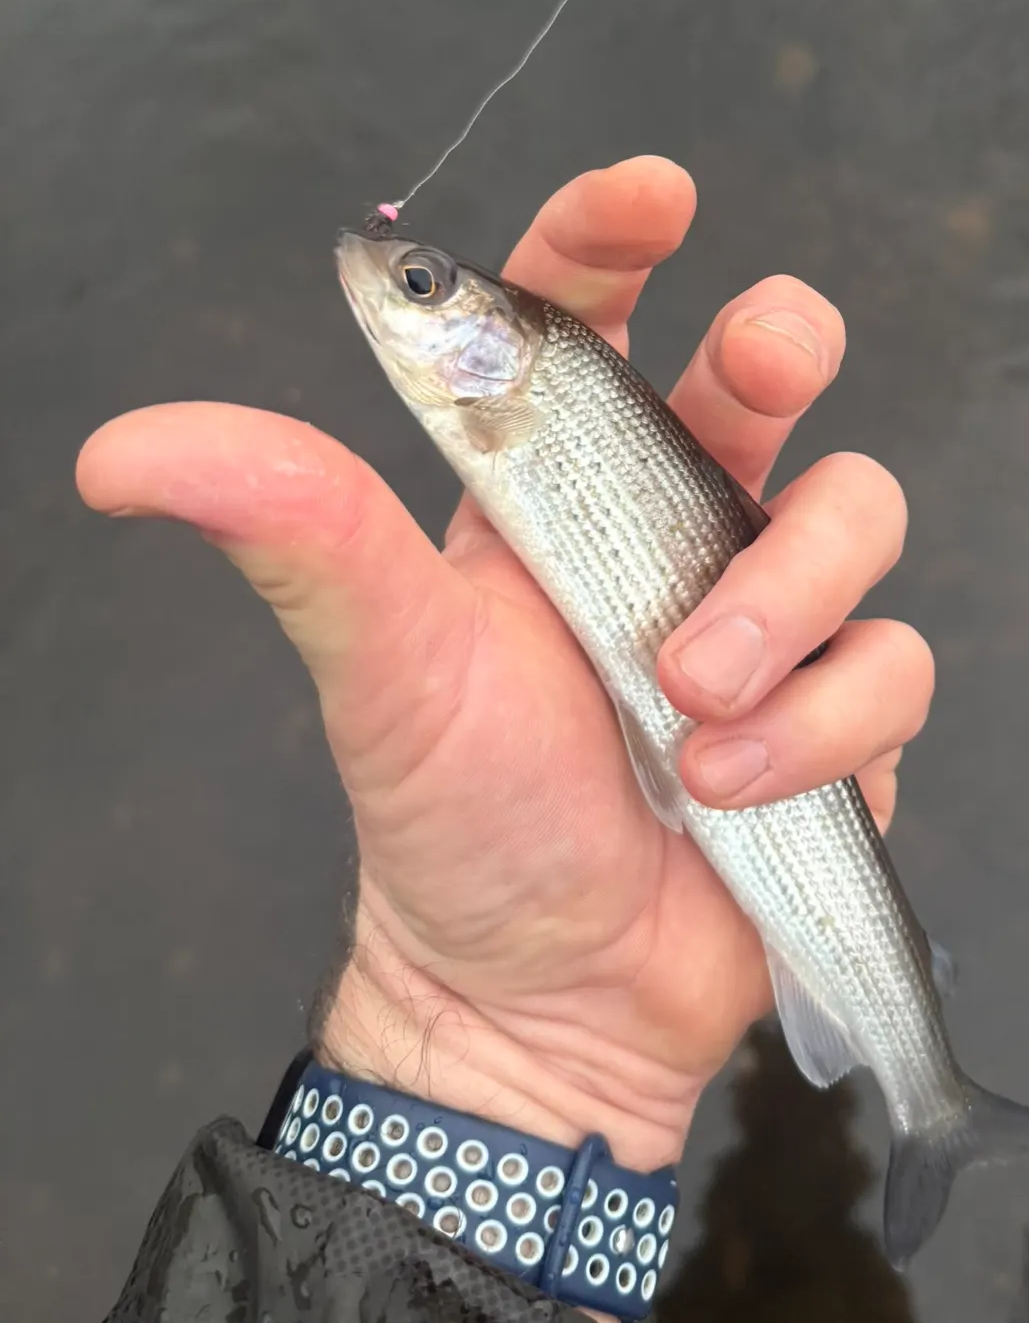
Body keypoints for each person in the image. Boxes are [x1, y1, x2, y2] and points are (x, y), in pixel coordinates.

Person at [79, 156, 935, 1322]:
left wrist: (524, 1067)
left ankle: (934, 1096)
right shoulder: (499, 390)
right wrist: (525, 1071)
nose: (392, 279)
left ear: (500, 347)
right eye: (422, 283)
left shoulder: (523, 387)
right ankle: (930, 1093)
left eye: (421, 285)